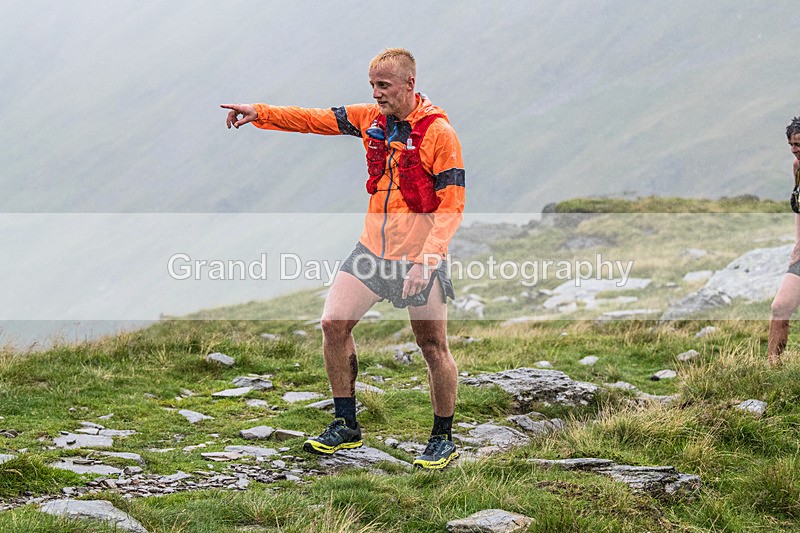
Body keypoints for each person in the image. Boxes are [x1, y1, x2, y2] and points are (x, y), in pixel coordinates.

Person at [221, 48, 465, 469]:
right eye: (371, 86)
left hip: (418, 256)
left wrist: (427, 261)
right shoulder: (369, 118)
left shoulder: (439, 134)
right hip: (371, 250)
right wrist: (259, 112)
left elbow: (452, 204)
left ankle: (442, 437)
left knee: (431, 346)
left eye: (383, 86)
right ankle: (346, 424)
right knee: (333, 324)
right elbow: (314, 120)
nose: (376, 94)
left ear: (409, 84)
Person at [768, 116, 800, 366]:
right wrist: (797, 245)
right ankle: (772, 369)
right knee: (780, 307)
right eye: (791, 144)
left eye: (799, 143)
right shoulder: (797, 167)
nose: (795, 149)